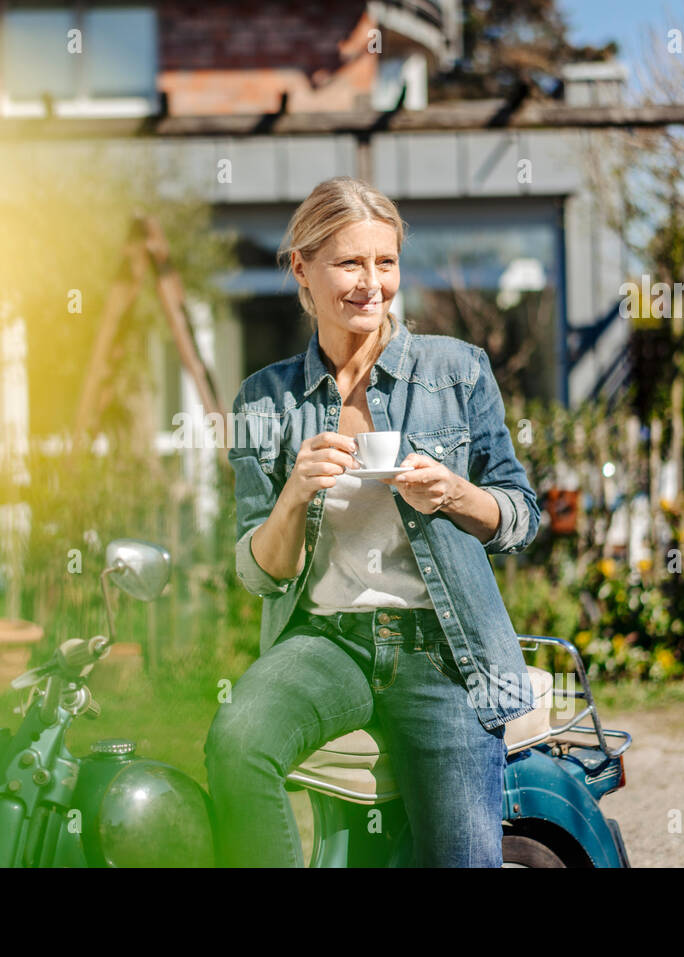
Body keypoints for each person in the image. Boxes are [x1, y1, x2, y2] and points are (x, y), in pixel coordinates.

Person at [205, 176, 540, 867]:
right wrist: (295, 494)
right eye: (350, 263)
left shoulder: (458, 372)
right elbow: (258, 572)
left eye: (384, 262)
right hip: (329, 645)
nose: (371, 283)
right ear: (303, 267)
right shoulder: (264, 401)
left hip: (445, 653)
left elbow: (519, 516)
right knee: (237, 741)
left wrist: (453, 493)